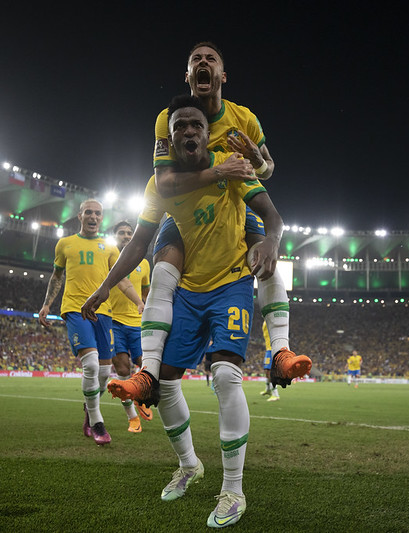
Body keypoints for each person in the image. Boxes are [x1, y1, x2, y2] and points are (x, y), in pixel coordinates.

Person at [82, 95, 288, 528]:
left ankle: (233, 489)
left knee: (227, 375)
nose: (189, 131)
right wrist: (102, 288)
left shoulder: (229, 163)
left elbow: (270, 210)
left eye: (196, 125)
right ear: (169, 139)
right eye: (180, 128)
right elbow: (138, 243)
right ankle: (189, 464)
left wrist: (271, 239)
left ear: (205, 131)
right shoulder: (161, 184)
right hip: (189, 293)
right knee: (167, 387)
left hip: (230, 282)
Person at [110, 41, 309, 406]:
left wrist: (256, 162)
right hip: (183, 209)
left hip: (232, 201)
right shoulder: (165, 119)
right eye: (195, 60)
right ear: (187, 76)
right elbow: (164, 183)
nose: (203, 63)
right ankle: (149, 372)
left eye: (210, 59)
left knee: (262, 255)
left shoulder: (244, 118)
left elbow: (268, 169)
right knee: (163, 266)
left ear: (222, 75)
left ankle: (280, 351)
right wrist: (219, 169)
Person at [38, 198, 144, 446]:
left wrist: (139, 302)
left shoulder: (109, 248)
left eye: (97, 213)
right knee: (92, 365)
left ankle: (88, 407)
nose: (93, 217)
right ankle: (97, 421)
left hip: (103, 313)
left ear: (102, 217)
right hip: (75, 309)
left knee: (105, 371)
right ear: (80, 216)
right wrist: (46, 304)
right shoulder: (65, 244)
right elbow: (56, 277)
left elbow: (123, 281)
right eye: (89, 212)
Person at [108, 220, 153, 432]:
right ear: (114, 236)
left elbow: (146, 291)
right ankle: (132, 418)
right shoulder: (108, 258)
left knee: (146, 366)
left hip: (137, 324)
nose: (126, 236)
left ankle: (140, 398)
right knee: (123, 370)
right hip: (113, 321)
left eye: (129, 233)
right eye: (121, 233)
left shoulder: (144, 263)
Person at [259, 323, 280, 402]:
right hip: (268, 349)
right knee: (267, 371)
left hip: (272, 349)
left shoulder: (270, 321)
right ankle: (268, 389)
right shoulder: (265, 321)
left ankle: (275, 394)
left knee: (270, 371)